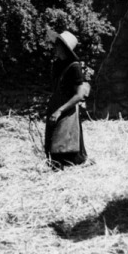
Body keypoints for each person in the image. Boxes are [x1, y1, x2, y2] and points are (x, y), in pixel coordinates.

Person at [44, 30, 90, 169]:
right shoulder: (58, 65)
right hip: (56, 106)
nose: (54, 48)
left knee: (66, 146)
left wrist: (60, 111)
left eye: (57, 46)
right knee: (53, 152)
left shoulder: (74, 67)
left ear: (64, 48)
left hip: (67, 110)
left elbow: (79, 95)